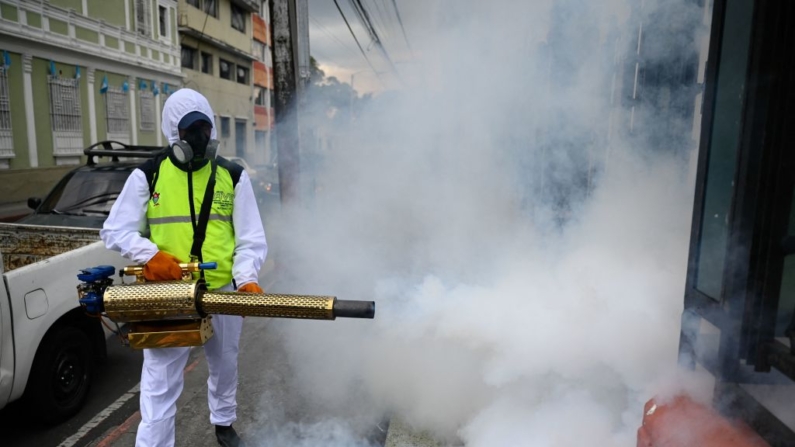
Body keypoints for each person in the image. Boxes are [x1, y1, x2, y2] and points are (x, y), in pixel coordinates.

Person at [101, 88, 267, 447]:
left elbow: (250, 239)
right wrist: (150, 255)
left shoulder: (233, 176)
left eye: (204, 130)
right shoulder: (149, 176)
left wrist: (247, 280)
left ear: (211, 132)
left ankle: (223, 423)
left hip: (222, 293)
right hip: (169, 296)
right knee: (160, 382)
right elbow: (114, 230)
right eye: (190, 132)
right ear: (172, 134)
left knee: (225, 364)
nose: (198, 139)